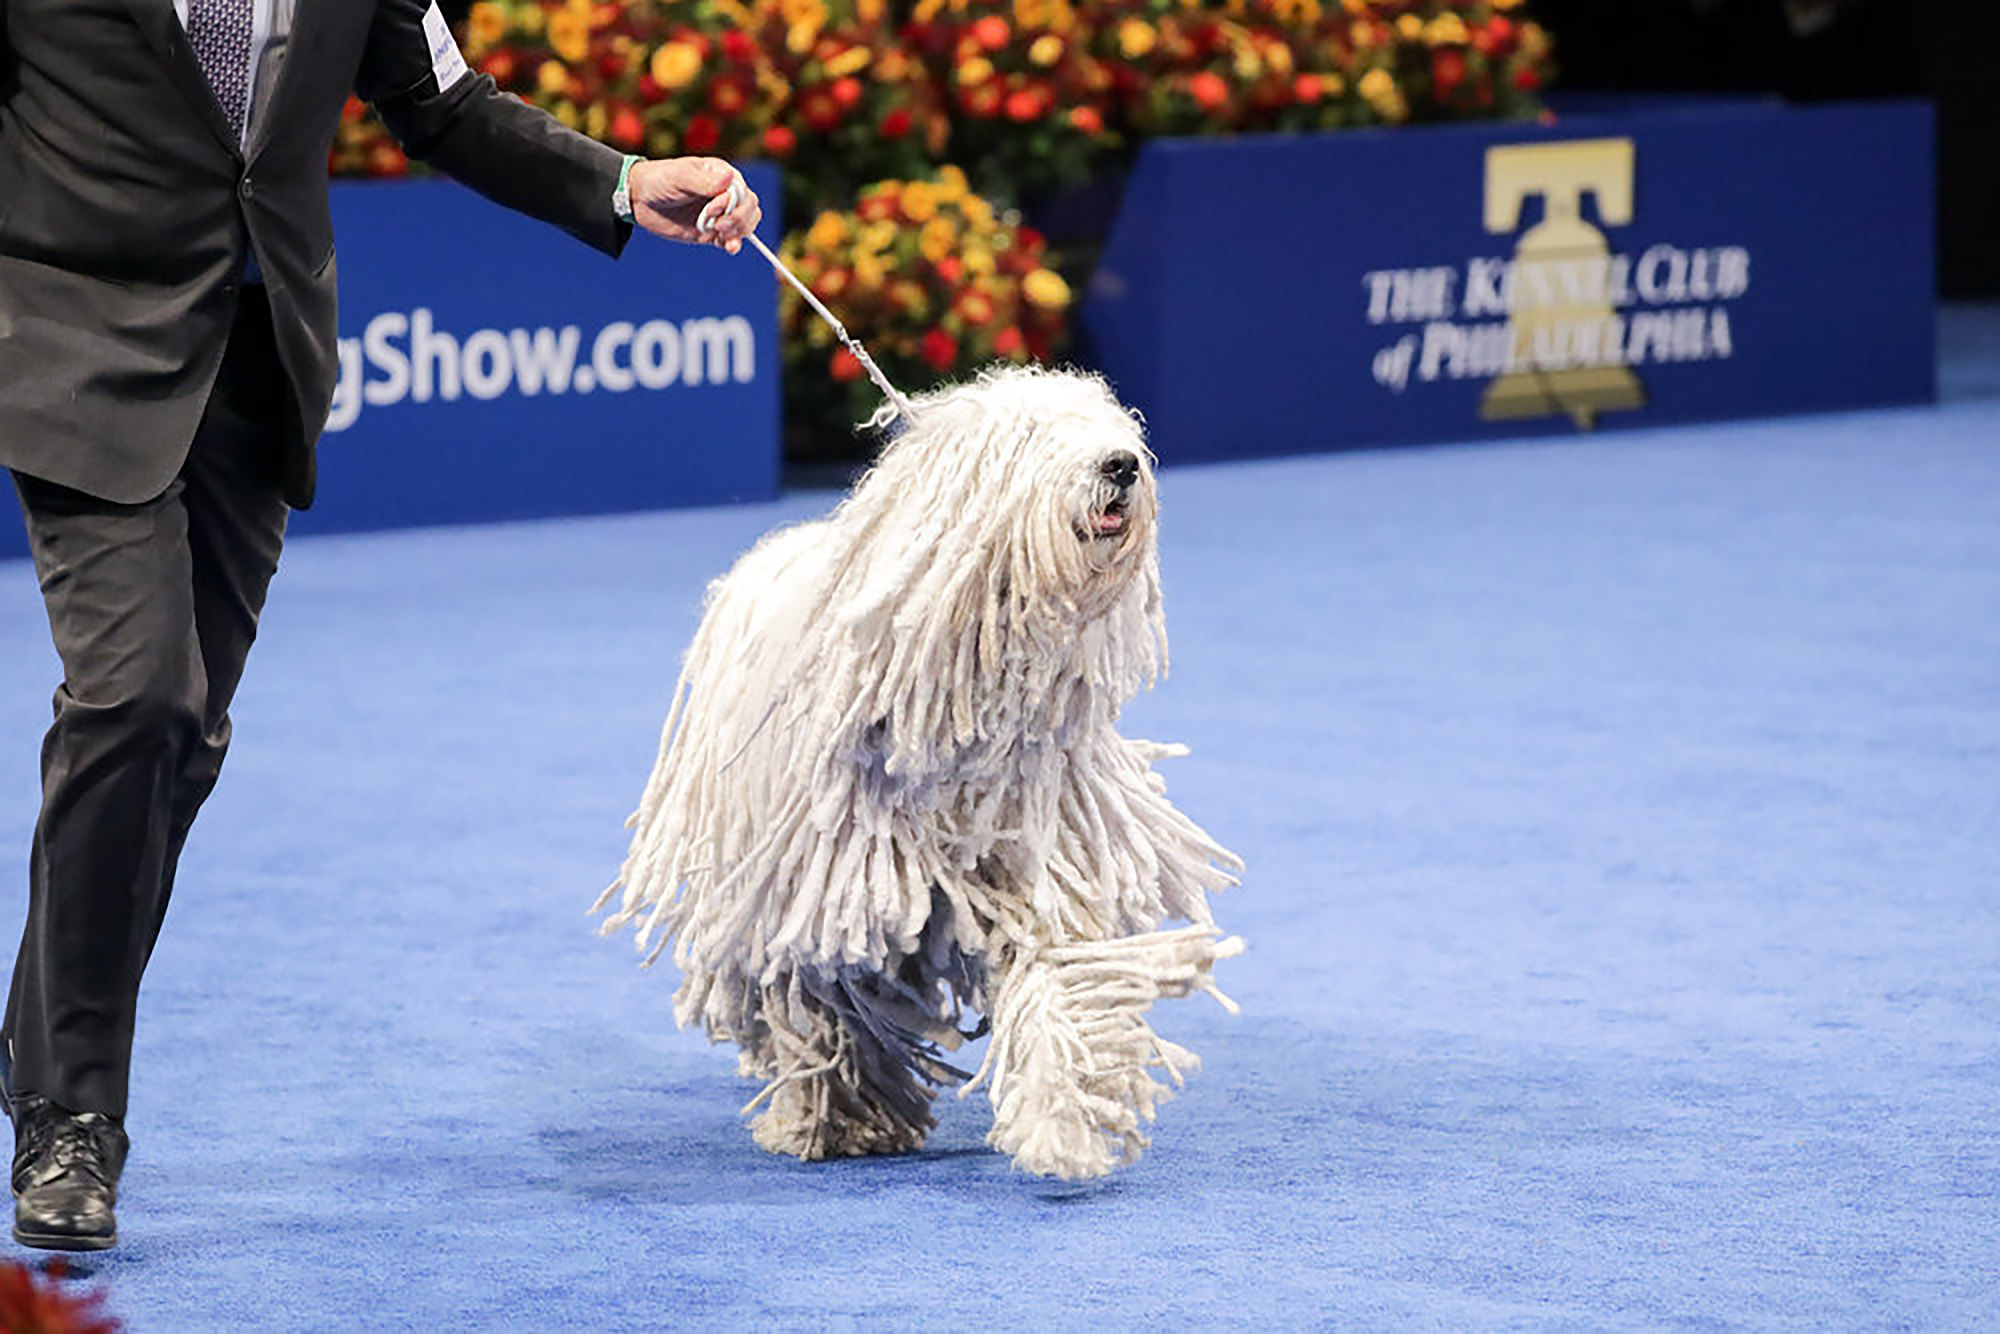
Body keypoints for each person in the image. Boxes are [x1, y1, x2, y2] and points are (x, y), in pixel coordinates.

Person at [0, 0, 762, 1250]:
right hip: (71, 347)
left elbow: (444, 102)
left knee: (179, 737)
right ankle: (71, 1114)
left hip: (260, 364)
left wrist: (626, 184)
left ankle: (44, 1029)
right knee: (133, 697)